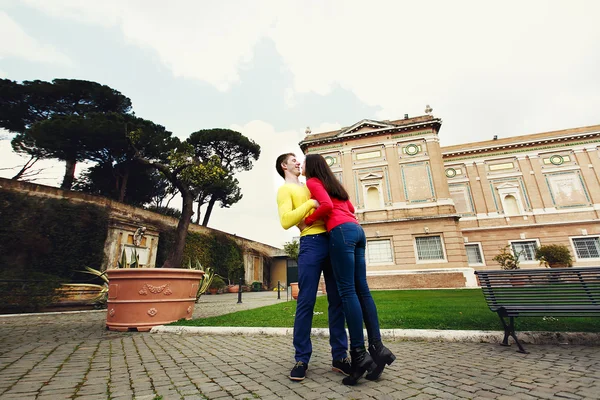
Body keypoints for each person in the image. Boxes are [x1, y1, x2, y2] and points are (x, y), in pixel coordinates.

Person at [302, 153, 396, 386]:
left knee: (347, 292)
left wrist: (310, 220)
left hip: (341, 233)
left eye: (303, 163)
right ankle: (378, 347)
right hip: (357, 231)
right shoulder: (335, 184)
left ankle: (358, 355)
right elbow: (352, 207)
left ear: (312, 167)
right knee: (362, 290)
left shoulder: (313, 182)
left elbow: (325, 206)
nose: (301, 166)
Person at [275, 153, 351, 381]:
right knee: (306, 300)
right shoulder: (285, 190)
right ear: (284, 165)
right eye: (293, 160)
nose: (299, 163)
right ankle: (301, 359)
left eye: (299, 160)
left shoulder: (311, 184)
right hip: (311, 243)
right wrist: (309, 203)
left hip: (333, 240)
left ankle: (340, 357)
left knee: (336, 300)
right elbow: (286, 221)